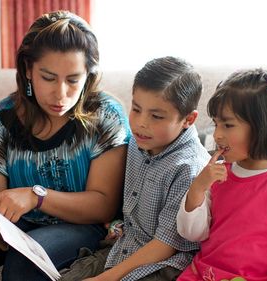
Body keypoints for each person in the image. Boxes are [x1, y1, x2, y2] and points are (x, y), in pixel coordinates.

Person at [0, 10, 131, 281]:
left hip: (85, 225)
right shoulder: (2, 119)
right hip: (19, 224)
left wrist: (36, 196)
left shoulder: (106, 116)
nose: (60, 94)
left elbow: (103, 205)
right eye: (48, 77)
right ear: (28, 70)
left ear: (88, 75)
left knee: (25, 262)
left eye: (73, 80)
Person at [61, 56, 211, 281]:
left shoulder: (189, 168)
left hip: (163, 263)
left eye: (156, 116)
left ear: (188, 119)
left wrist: (107, 277)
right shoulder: (137, 141)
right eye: (137, 109)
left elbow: (166, 245)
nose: (141, 123)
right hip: (125, 245)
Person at [176, 68, 267, 280]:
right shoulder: (216, 175)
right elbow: (193, 234)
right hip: (205, 274)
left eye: (228, 125)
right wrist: (197, 188)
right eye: (216, 124)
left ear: (263, 127)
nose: (216, 134)